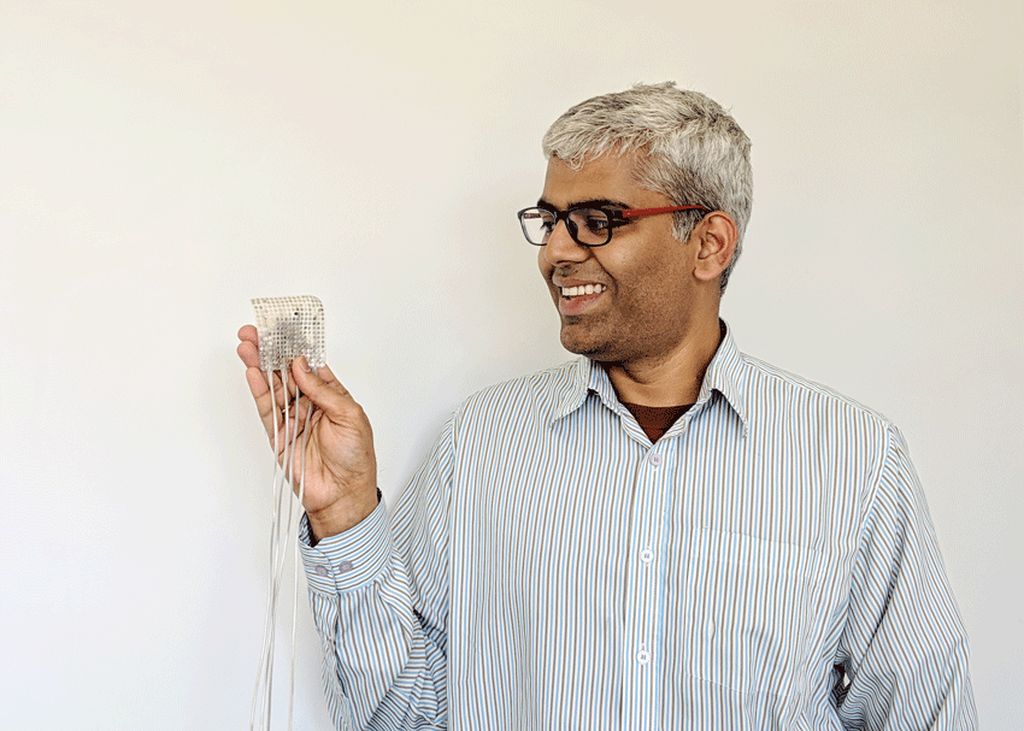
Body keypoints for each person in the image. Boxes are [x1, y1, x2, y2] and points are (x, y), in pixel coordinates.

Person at [236, 82, 977, 730]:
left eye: (597, 220)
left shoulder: (853, 455)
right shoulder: (482, 443)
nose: (554, 251)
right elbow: (399, 715)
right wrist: (345, 513)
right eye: (550, 219)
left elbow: (926, 710)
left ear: (709, 243)